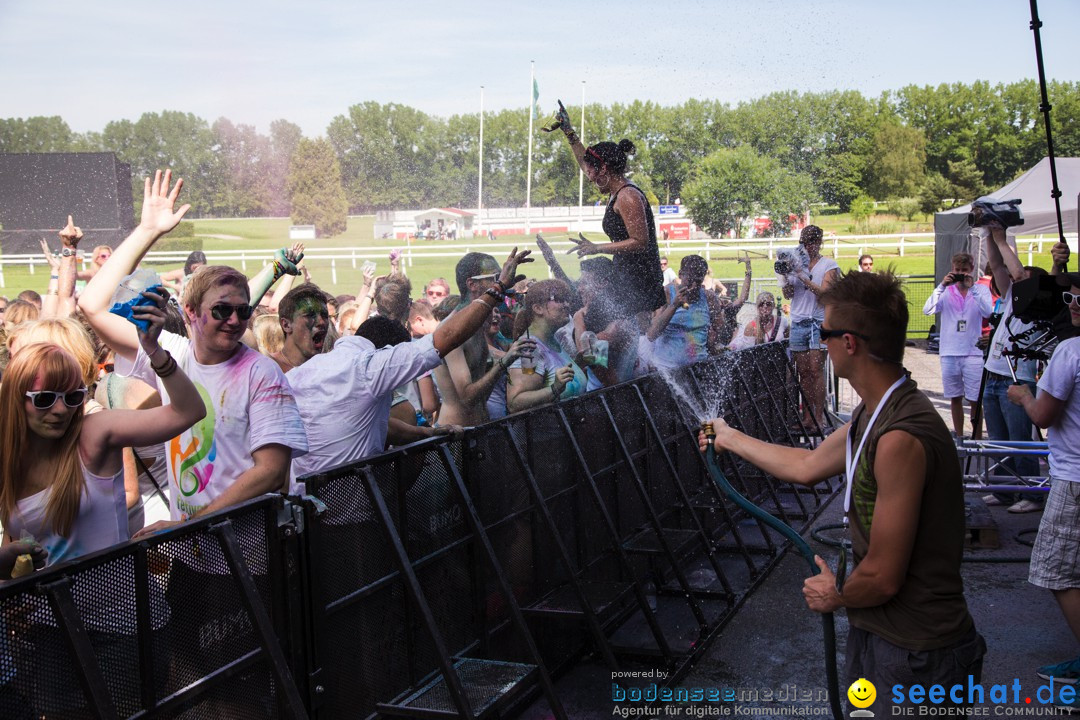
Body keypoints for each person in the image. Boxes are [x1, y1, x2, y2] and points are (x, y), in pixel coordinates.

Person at [699, 270, 985, 716]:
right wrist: (729, 437)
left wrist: (837, 594)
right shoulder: (876, 411)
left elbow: (884, 577)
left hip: (918, 653)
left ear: (849, 343)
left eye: (825, 333)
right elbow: (807, 466)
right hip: (885, 636)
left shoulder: (899, 437)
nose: (822, 342)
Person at [78, 169, 308, 531]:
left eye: (243, 311)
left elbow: (271, 472)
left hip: (243, 556)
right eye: (221, 310)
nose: (234, 321)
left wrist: (189, 525)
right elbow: (92, 305)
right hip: (190, 550)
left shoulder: (262, 374)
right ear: (190, 312)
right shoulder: (172, 353)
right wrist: (147, 232)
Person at [286, 248, 534, 479]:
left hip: (311, 510)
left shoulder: (302, 373)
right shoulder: (374, 367)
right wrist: (498, 287)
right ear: (390, 352)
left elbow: (382, 426)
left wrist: (426, 433)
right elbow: (444, 339)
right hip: (351, 512)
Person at [1005, 269, 1080, 708]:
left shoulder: (1070, 350)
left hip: (1073, 481)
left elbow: (1043, 416)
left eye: (1078, 300)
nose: (1071, 306)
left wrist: (1023, 396)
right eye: (1069, 298)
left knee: (1058, 573)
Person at [548, 109, 664, 317]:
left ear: (603, 169)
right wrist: (569, 132)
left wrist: (597, 248)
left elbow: (640, 241)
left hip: (639, 280)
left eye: (592, 171)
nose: (589, 177)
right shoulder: (616, 190)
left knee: (634, 338)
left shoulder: (627, 196)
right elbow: (585, 163)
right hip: (626, 274)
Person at [980, 224, 1059, 513]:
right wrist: (988, 235)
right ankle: (1004, 489)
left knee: (1019, 439)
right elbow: (998, 267)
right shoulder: (1012, 299)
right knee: (999, 439)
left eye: (1026, 278)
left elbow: (1014, 272)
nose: (1019, 280)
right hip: (994, 375)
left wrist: (1002, 239)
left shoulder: (1040, 307)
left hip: (1018, 378)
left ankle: (1031, 492)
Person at [432, 252, 534, 426]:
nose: (503, 282)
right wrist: (504, 363)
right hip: (455, 437)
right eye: (496, 277)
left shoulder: (478, 324)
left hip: (480, 429)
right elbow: (466, 397)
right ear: (472, 284)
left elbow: (481, 391)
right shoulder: (452, 330)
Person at [922, 252, 993, 438]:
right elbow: (927, 310)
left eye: (964, 270)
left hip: (973, 352)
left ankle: (977, 439)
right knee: (955, 397)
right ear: (952, 269)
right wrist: (942, 285)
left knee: (975, 399)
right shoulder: (945, 291)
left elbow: (988, 312)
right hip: (950, 352)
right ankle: (960, 435)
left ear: (971, 270)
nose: (961, 274)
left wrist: (973, 290)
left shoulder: (981, 290)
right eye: (957, 270)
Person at [782, 225, 840, 429]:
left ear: (819, 243)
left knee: (816, 370)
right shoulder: (797, 264)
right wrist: (785, 276)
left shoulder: (829, 265)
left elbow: (825, 294)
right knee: (804, 372)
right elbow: (788, 294)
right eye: (804, 243)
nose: (808, 246)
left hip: (818, 322)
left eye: (812, 242)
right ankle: (807, 417)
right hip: (798, 322)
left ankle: (819, 417)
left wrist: (802, 276)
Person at [648, 255, 744, 369]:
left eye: (698, 282)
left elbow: (724, 336)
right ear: (680, 274)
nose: (693, 286)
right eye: (690, 280)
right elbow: (651, 335)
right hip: (666, 369)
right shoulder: (667, 293)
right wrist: (674, 306)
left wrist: (726, 314)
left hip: (698, 369)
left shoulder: (709, 298)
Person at [505, 279, 585, 413]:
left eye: (567, 299)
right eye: (559, 299)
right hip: (549, 433)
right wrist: (555, 388)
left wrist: (578, 364)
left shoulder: (551, 340)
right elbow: (516, 401)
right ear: (538, 308)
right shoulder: (529, 348)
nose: (567, 305)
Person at [269, 284, 331, 374]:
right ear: (286, 325)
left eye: (325, 315)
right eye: (310, 315)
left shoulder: (330, 370)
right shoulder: (270, 368)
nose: (321, 322)